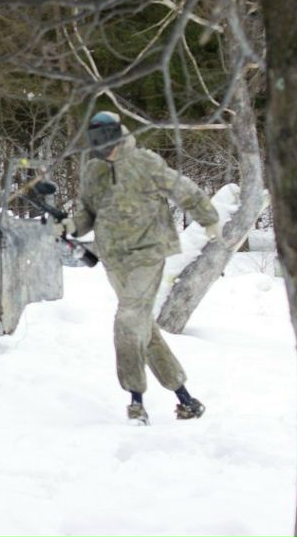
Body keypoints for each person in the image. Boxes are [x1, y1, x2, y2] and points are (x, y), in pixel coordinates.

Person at [51, 111, 221, 425]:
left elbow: (183, 189)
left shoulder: (145, 162)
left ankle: (136, 402)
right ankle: (185, 398)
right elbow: (88, 213)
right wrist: (70, 226)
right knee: (143, 328)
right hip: (114, 260)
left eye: (106, 138)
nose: (102, 146)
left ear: (118, 134)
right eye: (95, 139)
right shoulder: (93, 171)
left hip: (148, 254)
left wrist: (209, 218)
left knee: (128, 321)